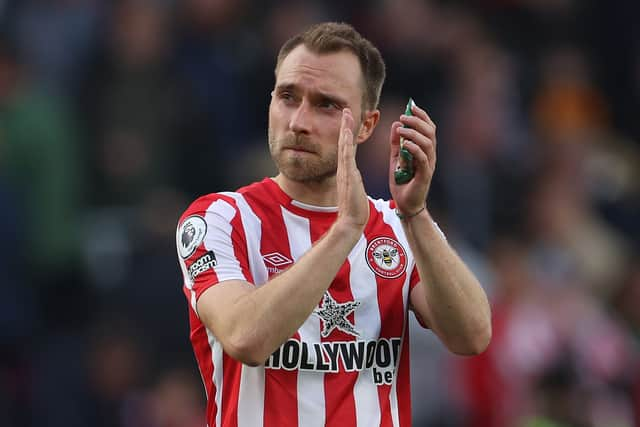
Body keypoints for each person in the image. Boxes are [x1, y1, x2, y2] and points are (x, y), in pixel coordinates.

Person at [176, 22, 491, 427]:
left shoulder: (396, 228)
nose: (299, 122)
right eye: (288, 97)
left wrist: (415, 214)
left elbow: (472, 335)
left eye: (326, 105)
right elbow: (245, 337)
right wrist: (344, 231)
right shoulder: (218, 218)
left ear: (366, 125)